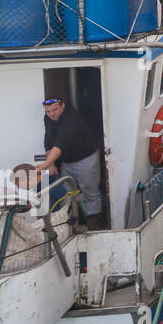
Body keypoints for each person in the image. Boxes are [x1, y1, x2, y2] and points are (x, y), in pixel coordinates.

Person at [35, 97, 105, 230]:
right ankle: (71, 223)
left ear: (63, 106)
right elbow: (49, 140)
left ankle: (93, 224)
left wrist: (44, 165)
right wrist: (51, 164)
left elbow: (60, 144)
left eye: (54, 110)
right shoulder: (49, 118)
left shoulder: (71, 120)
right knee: (67, 193)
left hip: (86, 158)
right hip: (67, 161)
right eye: (48, 111)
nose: (51, 114)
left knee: (90, 191)